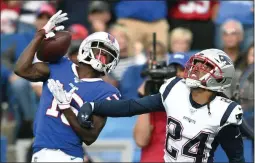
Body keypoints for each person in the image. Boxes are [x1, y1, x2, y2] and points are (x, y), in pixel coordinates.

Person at [60, 49, 245, 162]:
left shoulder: (225, 111)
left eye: (204, 67)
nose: (195, 69)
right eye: (196, 64)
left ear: (220, 77)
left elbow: (236, 158)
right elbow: (131, 106)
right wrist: (94, 106)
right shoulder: (175, 89)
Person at [14, 10, 121, 162]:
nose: (101, 56)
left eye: (107, 54)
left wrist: (66, 108)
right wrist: (40, 35)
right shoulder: (60, 65)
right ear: (85, 47)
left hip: (69, 156)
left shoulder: (107, 92)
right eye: (99, 49)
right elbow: (21, 69)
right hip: (40, 151)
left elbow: (90, 137)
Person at [134, 53, 189, 162]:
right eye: (172, 70)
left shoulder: (195, 104)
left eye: (182, 69)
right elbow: (140, 140)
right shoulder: (154, 103)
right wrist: (147, 95)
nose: (177, 73)